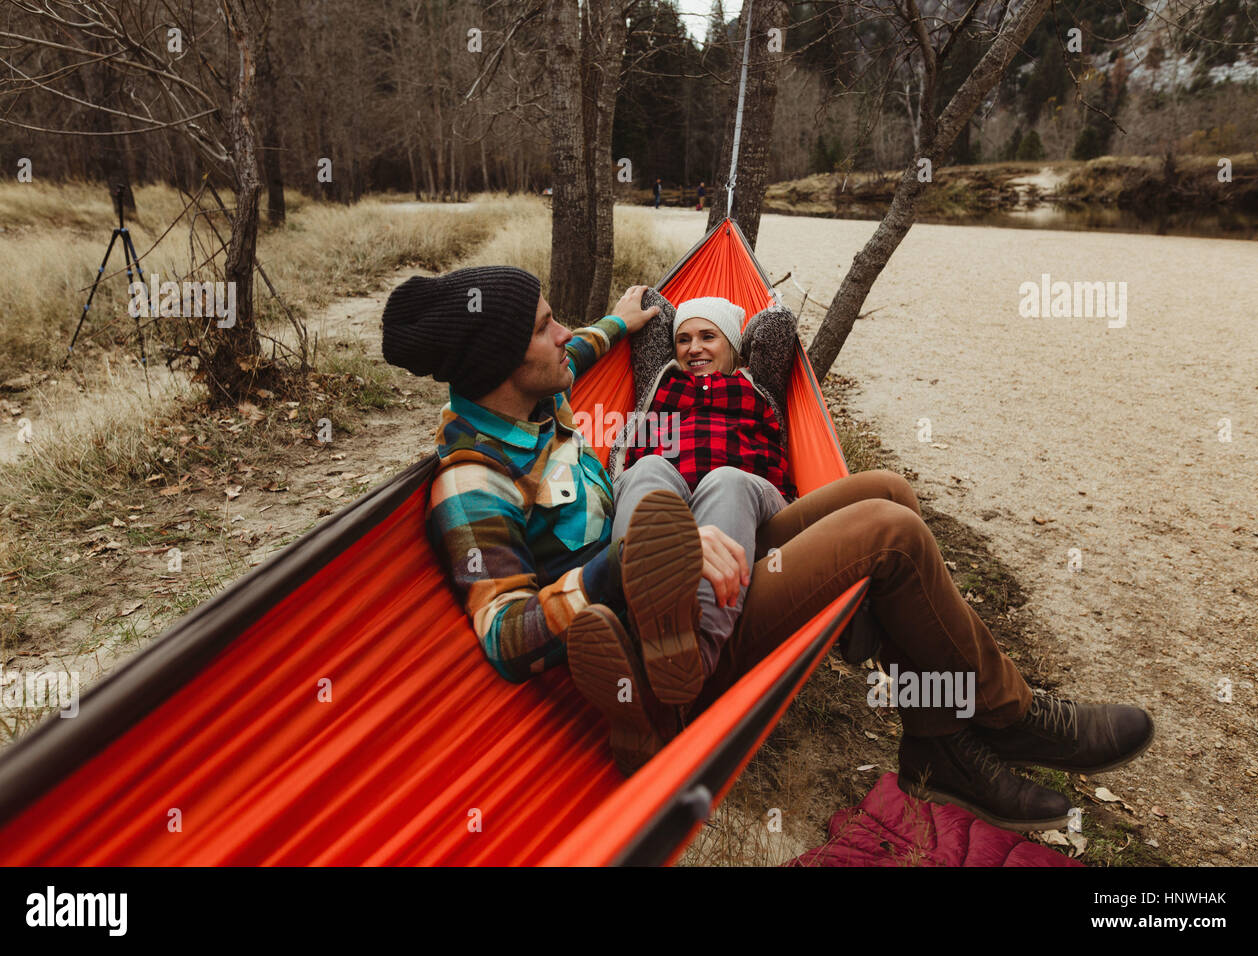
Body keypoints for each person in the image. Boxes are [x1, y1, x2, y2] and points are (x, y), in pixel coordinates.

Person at [381, 270, 1155, 833]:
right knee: (891, 536)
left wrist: (620, 320)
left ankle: (940, 734)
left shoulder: (535, 394)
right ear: (501, 364)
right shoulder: (471, 482)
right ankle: (1008, 716)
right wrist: (634, 567)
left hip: (696, 565)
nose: (563, 336)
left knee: (886, 490)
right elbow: (507, 635)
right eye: (545, 326)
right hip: (663, 648)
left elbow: (582, 348)